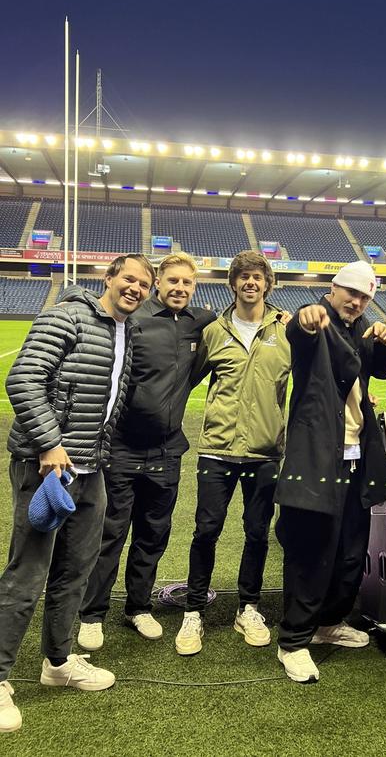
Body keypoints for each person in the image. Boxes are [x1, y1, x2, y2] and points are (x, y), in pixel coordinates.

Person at [0, 254, 154, 734]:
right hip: (47, 465)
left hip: (91, 470)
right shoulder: (67, 315)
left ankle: (58, 662)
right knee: (27, 573)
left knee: (76, 571)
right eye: (128, 279)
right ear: (108, 279)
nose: (135, 288)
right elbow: (23, 380)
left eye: (143, 284)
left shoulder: (127, 332)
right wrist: (49, 444)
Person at [78, 253, 215, 650]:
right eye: (172, 281)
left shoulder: (201, 323)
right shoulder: (134, 318)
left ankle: (138, 607)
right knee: (111, 533)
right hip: (121, 448)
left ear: (194, 287)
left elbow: (244, 319)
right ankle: (92, 613)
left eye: (187, 283)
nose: (179, 288)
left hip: (167, 452)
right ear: (158, 283)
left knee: (152, 536)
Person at [275, 260, 386, 684]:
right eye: (351, 293)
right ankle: (293, 640)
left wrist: (384, 338)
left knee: (350, 551)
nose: (357, 302)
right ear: (332, 288)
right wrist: (307, 320)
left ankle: (328, 623)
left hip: (356, 457)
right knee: (312, 550)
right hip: (318, 458)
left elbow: (380, 370)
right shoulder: (317, 318)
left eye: (365, 297)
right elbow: (302, 333)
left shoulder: (360, 329)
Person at [174, 251, 291, 656]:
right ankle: (194, 611)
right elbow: (185, 382)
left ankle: (249, 606)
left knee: (257, 533)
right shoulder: (214, 331)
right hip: (218, 451)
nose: (250, 283)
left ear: (268, 284)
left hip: (264, 453)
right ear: (233, 284)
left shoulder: (285, 332)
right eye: (243, 277)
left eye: (257, 277)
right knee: (207, 531)